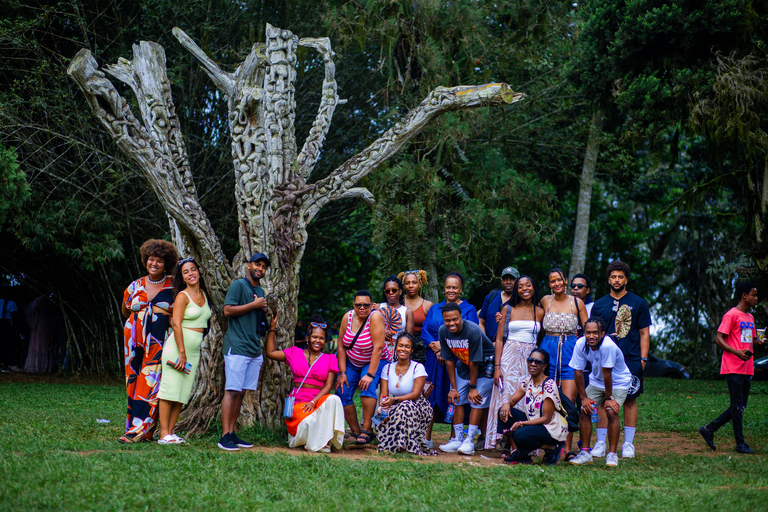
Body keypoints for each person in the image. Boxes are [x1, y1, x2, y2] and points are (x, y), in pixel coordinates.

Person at [120, 239, 178, 443]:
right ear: (146, 260)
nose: (154, 264)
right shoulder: (135, 285)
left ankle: (137, 431)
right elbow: (125, 309)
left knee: (150, 383)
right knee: (133, 382)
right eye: (151, 259)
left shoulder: (174, 285)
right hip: (133, 342)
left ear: (166, 263)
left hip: (159, 341)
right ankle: (144, 429)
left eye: (159, 261)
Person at [590, 261, 651, 458]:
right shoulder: (599, 304)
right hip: (604, 359)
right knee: (602, 399)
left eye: (621, 276)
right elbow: (593, 333)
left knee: (630, 400)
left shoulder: (638, 303)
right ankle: (600, 443)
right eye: (613, 277)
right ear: (609, 279)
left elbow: (644, 333)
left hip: (631, 358)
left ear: (626, 279)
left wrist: (643, 359)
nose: (617, 280)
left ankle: (628, 444)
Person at [265, 312, 344, 452]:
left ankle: (322, 440)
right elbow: (271, 352)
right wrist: (272, 328)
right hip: (298, 402)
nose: (317, 341)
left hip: (317, 401)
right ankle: (316, 441)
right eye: (314, 337)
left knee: (334, 399)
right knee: (307, 420)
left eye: (321, 338)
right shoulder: (294, 352)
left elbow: (328, 386)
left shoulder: (330, 358)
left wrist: (314, 402)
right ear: (307, 338)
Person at [699, 282, 763, 454]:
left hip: (747, 367)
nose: (756, 298)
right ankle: (740, 443)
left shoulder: (750, 318)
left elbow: (750, 342)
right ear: (744, 296)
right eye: (754, 295)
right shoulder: (731, 315)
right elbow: (719, 339)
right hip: (733, 366)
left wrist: (759, 342)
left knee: (740, 406)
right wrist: (736, 353)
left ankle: (709, 429)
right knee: (737, 406)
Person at [218, 252, 271, 451]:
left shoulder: (261, 291)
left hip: (253, 348)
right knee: (231, 391)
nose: (261, 269)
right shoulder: (238, 285)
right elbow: (228, 310)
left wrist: (262, 311)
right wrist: (254, 305)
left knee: (240, 393)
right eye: (257, 264)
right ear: (248, 265)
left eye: (264, 267)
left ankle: (232, 433)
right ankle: (224, 436)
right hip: (237, 346)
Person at [157, 257, 212, 445]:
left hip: (193, 351)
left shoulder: (204, 294)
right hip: (177, 349)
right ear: (182, 277)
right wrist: (181, 352)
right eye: (186, 272)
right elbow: (176, 324)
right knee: (169, 390)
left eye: (193, 269)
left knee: (182, 393)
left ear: (198, 271)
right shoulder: (182, 296)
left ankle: (170, 432)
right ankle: (163, 434)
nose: (191, 274)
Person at [420, 272, 478, 448]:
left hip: (457, 360)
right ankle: (426, 437)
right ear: (443, 289)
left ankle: (455, 437)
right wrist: (435, 346)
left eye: (455, 287)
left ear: (460, 289)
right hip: (434, 360)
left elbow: (470, 333)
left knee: (455, 395)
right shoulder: (435, 309)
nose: (451, 290)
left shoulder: (469, 310)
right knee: (429, 396)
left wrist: (444, 348)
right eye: (448, 287)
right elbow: (425, 330)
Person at [485, 275, 544, 450]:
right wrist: (497, 367)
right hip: (509, 357)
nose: (525, 288)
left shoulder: (539, 311)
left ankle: (522, 442)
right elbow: (500, 340)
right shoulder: (507, 309)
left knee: (525, 398)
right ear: (516, 290)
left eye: (528, 285)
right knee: (506, 397)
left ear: (534, 287)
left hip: (530, 360)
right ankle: (506, 440)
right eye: (521, 286)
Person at [568, 317, 633, 467]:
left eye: (595, 333)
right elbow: (577, 372)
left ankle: (612, 454)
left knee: (611, 411)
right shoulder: (580, 344)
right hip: (597, 381)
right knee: (585, 410)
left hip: (618, 382)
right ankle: (585, 452)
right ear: (584, 333)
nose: (591, 336)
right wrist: (583, 398)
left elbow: (607, 374)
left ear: (602, 333)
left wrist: (609, 398)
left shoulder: (608, 346)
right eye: (588, 333)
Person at [539, 267, 588, 456]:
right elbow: (530, 315)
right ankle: (548, 444)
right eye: (552, 281)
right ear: (549, 284)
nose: (556, 284)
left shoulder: (577, 302)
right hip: (548, 349)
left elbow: (587, 329)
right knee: (547, 400)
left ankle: (567, 449)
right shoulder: (545, 301)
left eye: (559, 280)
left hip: (570, 349)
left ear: (565, 281)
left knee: (568, 400)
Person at [438, 302, 494, 456]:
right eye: (447, 320)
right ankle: (457, 438)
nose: (451, 324)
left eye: (455, 319)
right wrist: (454, 388)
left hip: (484, 365)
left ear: (461, 317)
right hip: (463, 365)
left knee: (476, 399)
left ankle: (469, 440)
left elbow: (475, 361)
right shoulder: (443, 331)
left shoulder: (472, 330)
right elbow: (449, 360)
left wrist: (473, 387)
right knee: (457, 398)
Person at [497, 348, 568, 465]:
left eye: (538, 362)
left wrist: (521, 423)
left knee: (520, 433)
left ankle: (553, 447)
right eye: (530, 360)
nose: (533, 364)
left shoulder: (548, 385)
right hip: (535, 423)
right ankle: (522, 454)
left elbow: (547, 418)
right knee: (503, 412)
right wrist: (506, 403)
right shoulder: (528, 380)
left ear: (544, 366)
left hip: (551, 428)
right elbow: (513, 400)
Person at [335, 290, 386, 445]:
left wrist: (370, 374)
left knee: (367, 387)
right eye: (358, 305)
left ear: (372, 305)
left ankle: (367, 429)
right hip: (351, 361)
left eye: (365, 305)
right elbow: (341, 346)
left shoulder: (375, 316)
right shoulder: (347, 317)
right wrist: (342, 372)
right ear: (353, 305)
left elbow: (378, 347)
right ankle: (356, 432)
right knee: (342, 391)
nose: (362, 308)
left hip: (372, 360)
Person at [377, 333, 434, 455]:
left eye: (407, 347)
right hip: (395, 404)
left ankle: (405, 445)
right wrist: (383, 407)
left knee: (405, 406)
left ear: (412, 350)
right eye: (400, 346)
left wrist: (394, 400)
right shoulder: (387, 368)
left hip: (418, 406)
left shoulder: (418, 368)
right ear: (395, 347)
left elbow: (415, 394)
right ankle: (392, 443)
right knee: (379, 418)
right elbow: (383, 394)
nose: (403, 349)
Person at [398, 270, 433, 364]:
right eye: (407, 283)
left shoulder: (427, 305)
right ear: (403, 285)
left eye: (414, 282)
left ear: (420, 284)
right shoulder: (398, 303)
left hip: (422, 350)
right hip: (400, 347)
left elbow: (433, 330)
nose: (411, 286)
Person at [478, 266, 519, 341]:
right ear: (501, 281)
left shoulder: (520, 301)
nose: (508, 282)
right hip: (489, 348)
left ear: (518, 281)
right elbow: (481, 321)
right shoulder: (491, 297)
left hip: (511, 348)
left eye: (512, 279)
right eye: (505, 279)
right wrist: (486, 342)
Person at [379, 275, 414, 358]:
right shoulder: (377, 307)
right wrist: (381, 332)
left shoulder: (407, 312)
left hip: (399, 354)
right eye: (387, 291)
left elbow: (409, 339)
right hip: (379, 352)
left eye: (394, 290)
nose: (391, 292)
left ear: (400, 291)